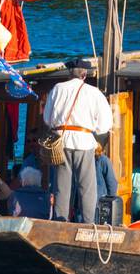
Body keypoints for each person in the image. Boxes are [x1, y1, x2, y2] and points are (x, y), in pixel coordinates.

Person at [42, 61, 112, 223]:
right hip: (84, 141)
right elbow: (105, 124)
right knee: (87, 187)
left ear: (69, 74)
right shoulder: (94, 92)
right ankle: (88, 224)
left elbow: (47, 118)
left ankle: (61, 222)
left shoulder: (57, 89)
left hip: (61, 141)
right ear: (85, 74)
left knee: (61, 186)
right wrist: (94, 129)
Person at [95, 138, 118, 202]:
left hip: (100, 202)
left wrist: (110, 202)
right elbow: (111, 183)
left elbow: (111, 183)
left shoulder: (102, 160)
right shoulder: (103, 160)